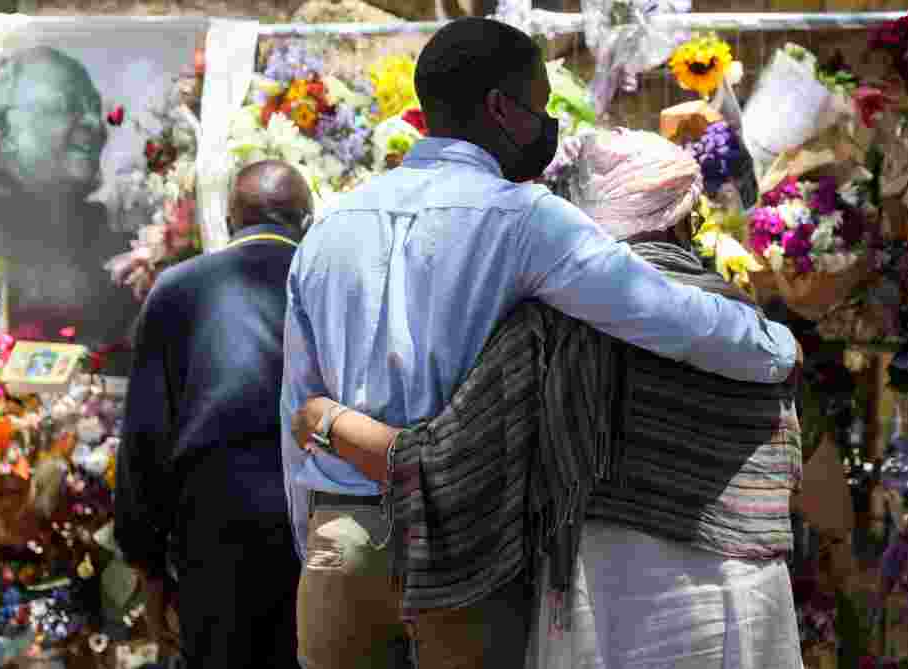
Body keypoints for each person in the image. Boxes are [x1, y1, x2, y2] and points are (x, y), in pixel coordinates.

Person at [281, 18, 799, 669]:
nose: (547, 127)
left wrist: (324, 544)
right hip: (471, 546)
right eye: (542, 107)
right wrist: (774, 347)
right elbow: (666, 315)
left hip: (343, 537)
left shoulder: (327, 230)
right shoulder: (527, 219)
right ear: (502, 108)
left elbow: (298, 413)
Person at [116, 161, 309, 669]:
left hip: (215, 525)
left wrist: (148, 570)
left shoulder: (177, 289)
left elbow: (144, 439)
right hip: (314, 518)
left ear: (228, 221)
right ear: (308, 223)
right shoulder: (329, 283)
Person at [0, 46, 137, 373]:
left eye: (94, 109)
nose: (94, 124)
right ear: (5, 133)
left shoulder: (124, 254)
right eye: (68, 107)